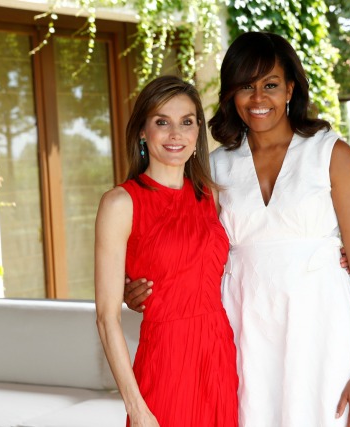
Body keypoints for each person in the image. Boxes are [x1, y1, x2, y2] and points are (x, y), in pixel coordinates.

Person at [126, 32, 350, 427]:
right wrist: (137, 287)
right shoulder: (214, 167)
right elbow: (181, 245)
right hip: (246, 332)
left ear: (290, 88)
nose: (258, 99)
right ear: (230, 95)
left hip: (324, 327)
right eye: (245, 87)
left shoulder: (331, 154)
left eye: (270, 85)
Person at [95, 75, 238, 427]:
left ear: (197, 131)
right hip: (167, 360)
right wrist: (138, 409)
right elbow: (106, 317)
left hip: (219, 355)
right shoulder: (120, 203)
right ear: (143, 131)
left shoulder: (211, 195)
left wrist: (334, 248)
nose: (176, 134)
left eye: (186, 122)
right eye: (162, 122)